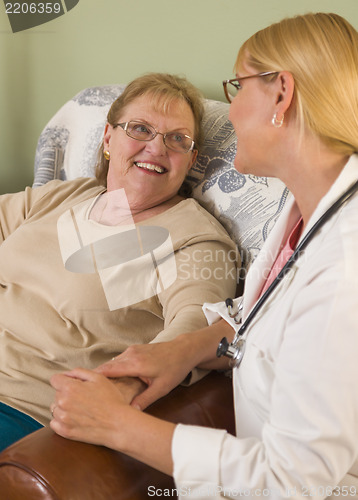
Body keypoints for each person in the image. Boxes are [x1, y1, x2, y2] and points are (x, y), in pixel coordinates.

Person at [50, 12, 358, 499]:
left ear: (282, 94)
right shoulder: (308, 210)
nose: (230, 113)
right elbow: (269, 315)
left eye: (239, 88)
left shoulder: (345, 266)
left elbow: (293, 481)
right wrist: (188, 349)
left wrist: (117, 426)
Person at [0, 72, 239, 452]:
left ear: (191, 159)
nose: (157, 148)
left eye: (177, 139)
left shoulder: (194, 238)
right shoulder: (66, 197)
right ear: (109, 139)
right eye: (141, 129)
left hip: (23, 409)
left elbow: (195, 327)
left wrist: (123, 384)